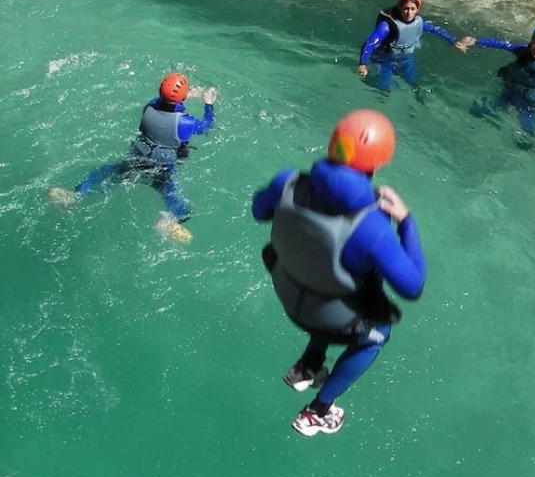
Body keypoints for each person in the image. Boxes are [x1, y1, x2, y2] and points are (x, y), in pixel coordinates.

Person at [253, 110, 426, 438]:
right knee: (376, 331)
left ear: (333, 146)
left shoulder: (287, 182)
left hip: (288, 291)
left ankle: (309, 364)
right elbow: (412, 286)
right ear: (376, 166)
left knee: (332, 282)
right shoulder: (371, 226)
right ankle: (318, 411)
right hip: (327, 313)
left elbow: (258, 210)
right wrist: (406, 221)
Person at [48, 72, 218, 243]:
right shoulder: (185, 122)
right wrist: (208, 104)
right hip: (161, 169)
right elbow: (206, 127)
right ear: (182, 96)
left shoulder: (149, 107)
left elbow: (165, 102)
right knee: (179, 204)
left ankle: (75, 195)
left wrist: (186, 95)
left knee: (105, 173)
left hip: (136, 160)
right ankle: (169, 221)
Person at [357, 0, 475, 99]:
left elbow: (436, 30)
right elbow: (370, 43)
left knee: (415, 84)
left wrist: (453, 41)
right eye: (405, 8)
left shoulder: (418, 22)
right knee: (384, 90)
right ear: (399, 7)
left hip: (405, 59)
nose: (409, 13)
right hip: (384, 60)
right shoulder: (387, 26)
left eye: (412, 9)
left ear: (417, 10)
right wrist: (363, 64)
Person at [469, 23, 535, 133]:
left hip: (529, 103)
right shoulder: (524, 51)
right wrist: (476, 41)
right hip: (511, 92)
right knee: (481, 112)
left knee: (528, 133)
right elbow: (504, 45)